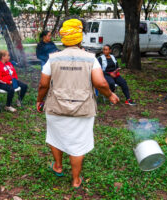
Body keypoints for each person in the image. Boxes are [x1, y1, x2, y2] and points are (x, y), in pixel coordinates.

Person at [36, 19, 119, 189]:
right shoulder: (91, 59)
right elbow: (101, 83)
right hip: (82, 109)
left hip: (55, 107)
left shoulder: (53, 58)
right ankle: (75, 180)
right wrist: (110, 95)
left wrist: (39, 100)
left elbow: (43, 84)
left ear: (64, 38)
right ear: (80, 37)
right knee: (78, 144)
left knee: (55, 136)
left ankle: (58, 166)